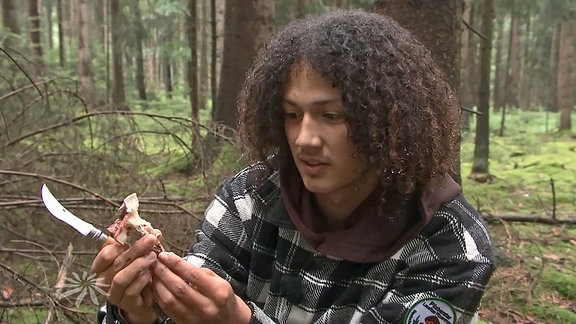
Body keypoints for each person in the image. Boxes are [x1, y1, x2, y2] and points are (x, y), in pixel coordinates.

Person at [92, 9, 495, 324]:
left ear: (387, 120)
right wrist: (139, 312)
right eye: (290, 114)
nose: (304, 138)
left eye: (332, 116)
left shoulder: (449, 245)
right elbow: (191, 303)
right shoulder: (248, 199)